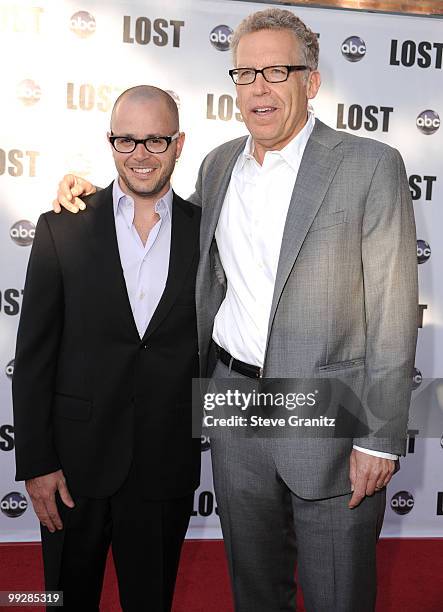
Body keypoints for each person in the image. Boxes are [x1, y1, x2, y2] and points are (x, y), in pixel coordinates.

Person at [52, 8, 418, 612]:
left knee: (337, 592)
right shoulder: (220, 164)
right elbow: (168, 228)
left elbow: (393, 310)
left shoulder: (369, 165)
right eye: (245, 73)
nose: (258, 88)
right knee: (254, 587)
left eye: (276, 70)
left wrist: (379, 440)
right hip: (232, 399)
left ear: (313, 81)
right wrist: (94, 195)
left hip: (325, 408)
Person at [13, 85, 201, 612]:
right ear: (110, 141)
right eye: (127, 140)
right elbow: (33, 359)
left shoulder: (207, 233)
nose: (140, 154)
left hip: (164, 466)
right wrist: (37, 462)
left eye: (156, 141)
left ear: (179, 143)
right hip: (72, 468)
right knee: (63, 601)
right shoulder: (61, 227)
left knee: (151, 602)